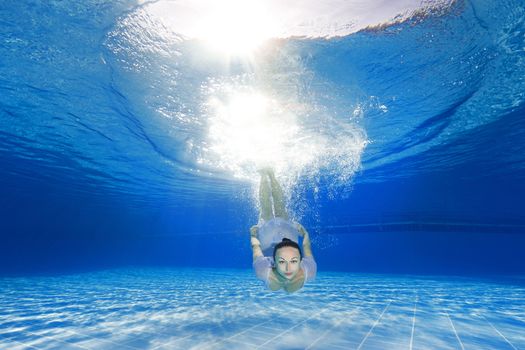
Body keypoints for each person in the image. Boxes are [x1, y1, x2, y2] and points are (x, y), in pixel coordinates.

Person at [250, 169, 317, 293]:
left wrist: (253, 235)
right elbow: (306, 246)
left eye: (293, 261)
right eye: (281, 262)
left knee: (267, 212)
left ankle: (267, 173)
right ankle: (267, 173)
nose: (288, 268)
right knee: (278, 209)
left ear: (300, 260)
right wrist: (305, 233)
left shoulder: (262, 270)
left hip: (267, 241)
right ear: (274, 262)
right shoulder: (310, 270)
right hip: (288, 238)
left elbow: (256, 246)